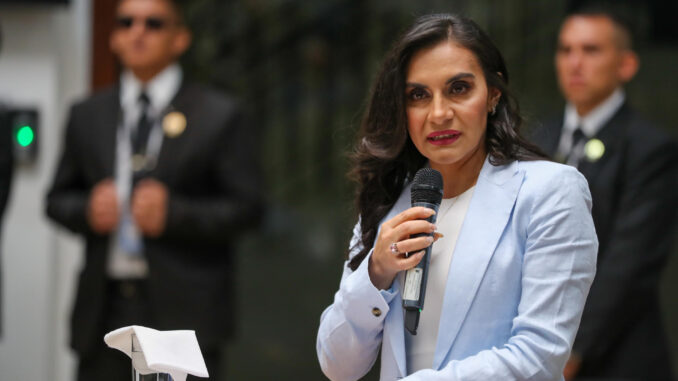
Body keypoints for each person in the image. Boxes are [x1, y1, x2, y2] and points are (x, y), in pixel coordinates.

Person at [316, 13, 598, 380]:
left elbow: (538, 357)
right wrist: (375, 273)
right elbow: (338, 367)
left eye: (459, 89)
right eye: (418, 95)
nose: (439, 113)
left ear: (493, 95)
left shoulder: (551, 193)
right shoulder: (389, 205)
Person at [45, 0, 261, 380]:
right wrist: (87, 211)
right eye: (126, 22)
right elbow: (56, 200)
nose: (138, 32)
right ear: (113, 38)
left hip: (185, 312)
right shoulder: (87, 113)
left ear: (180, 38)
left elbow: (248, 207)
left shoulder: (219, 115)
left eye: (153, 23)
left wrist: (175, 214)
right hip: (103, 311)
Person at [531, 7, 678, 380]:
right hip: (529, 348)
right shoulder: (534, 140)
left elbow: (628, 265)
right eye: (565, 50)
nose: (574, 62)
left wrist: (571, 351)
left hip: (615, 358)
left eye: (591, 50)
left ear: (626, 64)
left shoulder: (651, 149)